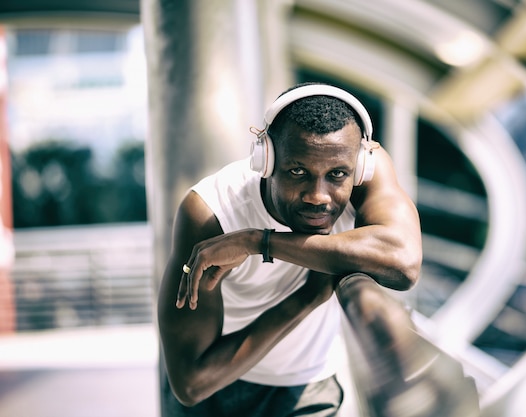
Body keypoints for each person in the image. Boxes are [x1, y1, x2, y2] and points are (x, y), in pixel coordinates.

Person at [157, 82, 422, 416]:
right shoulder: (212, 212)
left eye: (337, 174)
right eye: (298, 171)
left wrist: (257, 241)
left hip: (307, 390)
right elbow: (191, 383)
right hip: (216, 393)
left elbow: (403, 262)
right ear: (265, 160)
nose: (318, 196)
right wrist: (307, 298)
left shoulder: (366, 174)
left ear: (360, 167)